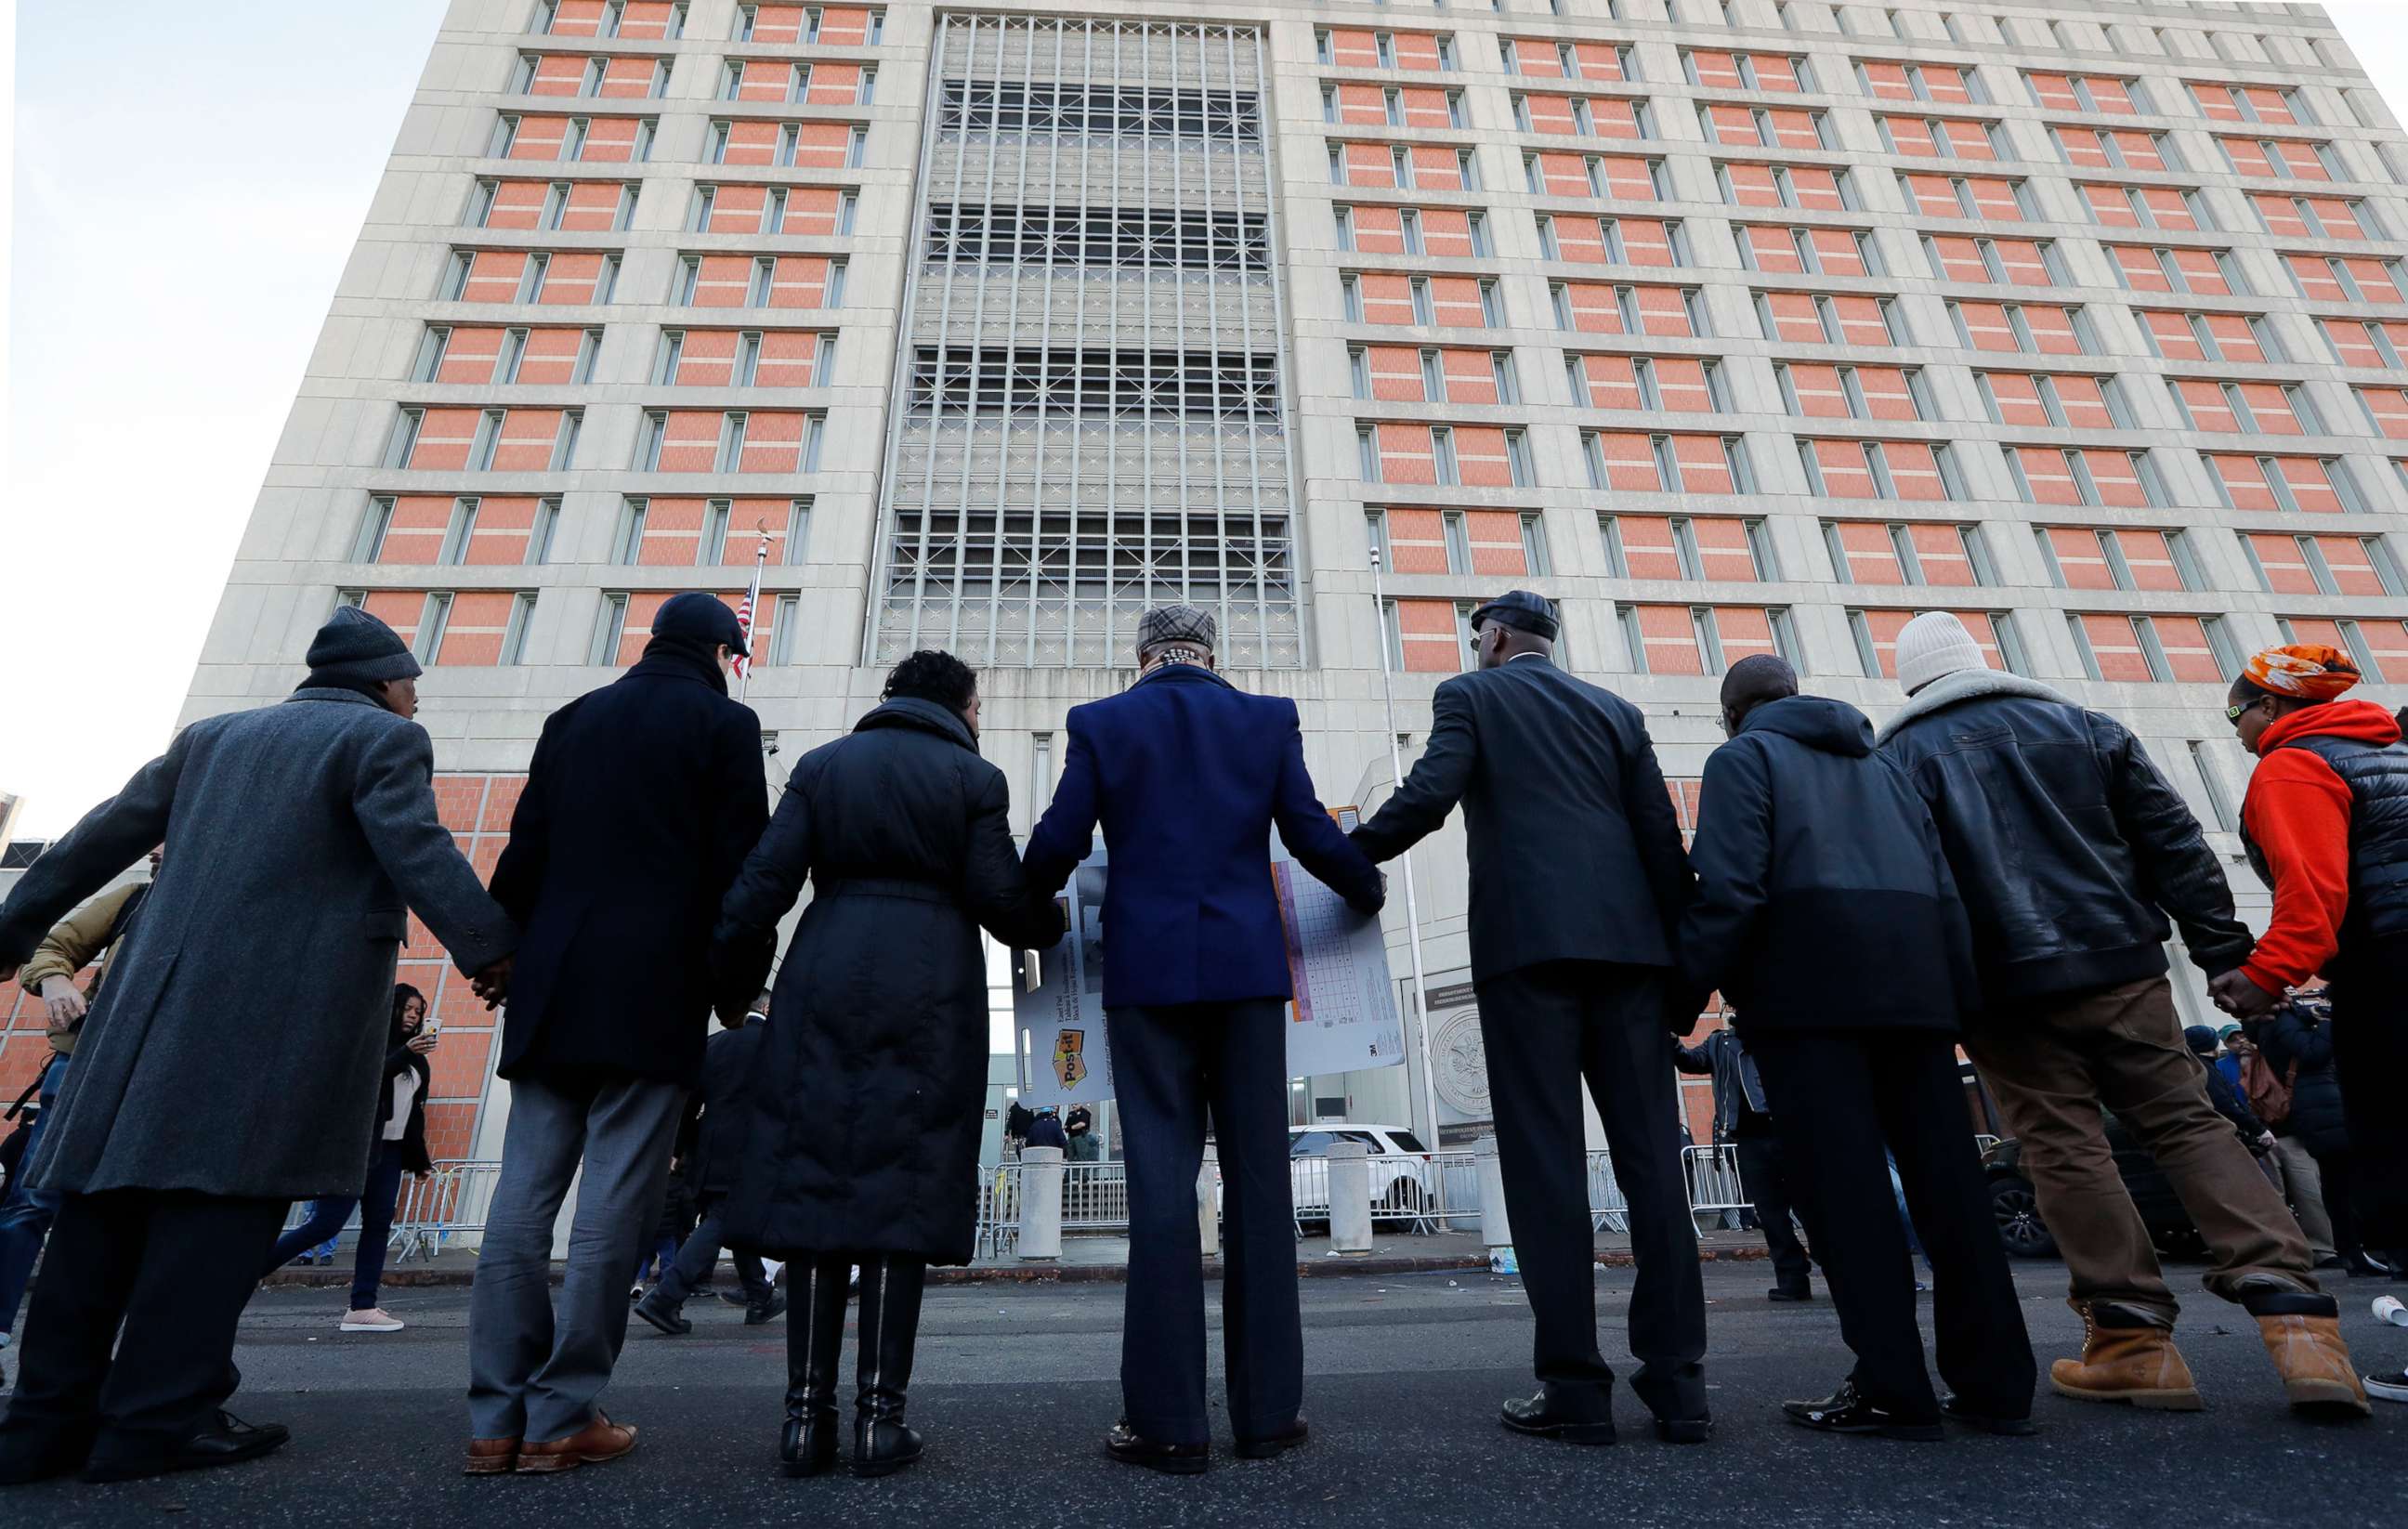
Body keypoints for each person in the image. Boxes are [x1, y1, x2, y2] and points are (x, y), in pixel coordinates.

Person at [0, 606, 515, 1485]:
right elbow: (417, 848)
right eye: (413, 685)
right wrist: (494, 952)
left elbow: (101, 834)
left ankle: (41, 1426)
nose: (417, 700)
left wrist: (12, 927)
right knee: (219, 1212)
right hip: (274, 1015)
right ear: (384, 682)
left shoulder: (212, 737)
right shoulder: (380, 741)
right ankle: (153, 1423)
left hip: (147, 1015)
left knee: (101, 1210)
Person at [1877, 614, 2362, 1419]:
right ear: (1980, 664)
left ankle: (2136, 1348)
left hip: (2001, 992)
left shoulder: (1895, 760)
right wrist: (2224, 956)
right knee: (2187, 1122)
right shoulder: (2084, 728)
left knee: (2062, 1145)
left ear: (1911, 683)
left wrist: (1933, 993)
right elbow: (2175, 847)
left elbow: (1908, 892)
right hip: (2121, 965)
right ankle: (2303, 1331)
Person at [1024, 606, 1383, 1472]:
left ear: (1143, 656)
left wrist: (1020, 919)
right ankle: (1269, 1417)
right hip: (1249, 979)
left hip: (1146, 981)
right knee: (1261, 1190)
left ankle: (1168, 1423)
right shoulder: (1265, 719)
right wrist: (1364, 888)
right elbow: (1309, 833)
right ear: (1213, 653)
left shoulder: (1103, 723)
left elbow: (1058, 844)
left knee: (1159, 1189)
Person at [1349, 590, 1708, 1447]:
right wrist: (1682, 984)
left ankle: (1576, 1392)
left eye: (1478, 636)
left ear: (1497, 637)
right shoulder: (1616, 711)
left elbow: (1429, 797)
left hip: (1528, 955)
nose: (1476, 647)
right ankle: (1681, 1389)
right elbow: (1663, 842)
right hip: (1632, 963)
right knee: (1656, 1172)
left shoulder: (1470, 696)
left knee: (1546, 1168)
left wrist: (1340, 852)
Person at [712, 649, 1064, 1478]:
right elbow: (1003, 903)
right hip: (931, 981)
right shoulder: (973, 779)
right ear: (963, 706)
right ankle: (881, 1420)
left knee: (813, 1179)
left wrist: (733, 989)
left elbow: (761, 886)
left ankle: (804, 1422)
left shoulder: (823, 766)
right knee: (904, 1180)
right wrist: (1054, 921)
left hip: (823, 969)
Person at [1675, 656, 2035, 1440]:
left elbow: (1731, 888)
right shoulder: (1885, 768)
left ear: (1733, 713)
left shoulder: (1743, 759)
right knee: (1952, 1190)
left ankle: (1892, 1388)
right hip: (1916, 999)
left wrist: (1680, 996)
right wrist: (1961, 1004)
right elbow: (1946, 890)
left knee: (1847, 1201)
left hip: (1807, 1000)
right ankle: (1997, 1388)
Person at [467, 592, 770, 1476]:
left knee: (520, 1203)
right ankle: (563, 1413)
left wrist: (498, 956)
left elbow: (523, 855)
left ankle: (496, 1419)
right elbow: (739, 870)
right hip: (653, 985)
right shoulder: (723, 725)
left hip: (554, 984)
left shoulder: (573, 719)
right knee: (612, 1208)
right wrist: (734, 991)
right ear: (720, 650)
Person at [2216, 644, 2408, 1403]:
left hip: (2391, 967)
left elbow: (2313, 891)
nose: (2233, 727)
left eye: (2237, 710)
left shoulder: (2294, 763)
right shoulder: (2388, 755)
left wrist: (2265, 978)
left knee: (2398, 1150)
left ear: (2271, 707)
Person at [0, 847, 160, 1386]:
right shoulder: (134, 898)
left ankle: (107, 1364)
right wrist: (55, 981)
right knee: (33, 1200)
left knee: (127, 1213)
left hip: (162, 1081)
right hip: (84, 1064)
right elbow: (51, 947)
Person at [257, 985, 438, 1331]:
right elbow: (365, 1080)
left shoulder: (419, 1062)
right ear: (393, 1008)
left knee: (378, 1226)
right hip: (355, 1149)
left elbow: (413, 1114)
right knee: (326, 1224)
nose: (414, 1015)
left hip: (391, 1153)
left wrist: (420, 1161)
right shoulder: (372, 1044)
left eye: (419, 1010)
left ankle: (362, 1306)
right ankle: (248, 1272)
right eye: (408, 1008)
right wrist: (404, 1053)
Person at [635, 998, 784, 1334]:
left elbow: (689, 1103)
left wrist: (679, 1149)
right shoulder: (776, 1046)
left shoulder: (714, 1044)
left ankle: (759, 1296)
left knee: (731, 1220)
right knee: (721, 1222)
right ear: (769, 1009)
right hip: (752, 1153)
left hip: (710, 1152)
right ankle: (665, 1297)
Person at [1673, 1025, 1814, 1300]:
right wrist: (1671, 1039)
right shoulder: (1720, 1042)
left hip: (1789, 1132)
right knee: (1771, 1215)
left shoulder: (1780, 1033)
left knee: (1812, 1206)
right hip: (1749, 1139)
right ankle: (1792, 1278)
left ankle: (1837, 1268)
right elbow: (1690, 1061)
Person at [2250, 1000, 2383, 1277]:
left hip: (2317, 1108)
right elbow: (2313, 1053)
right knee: (2350, 1181)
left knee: (2338, 1182)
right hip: (2322, 1108)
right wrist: (2325, 1021)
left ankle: (2354, 1252)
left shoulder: (2274, 1020)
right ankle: (2365, 1250)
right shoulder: (2280, 1019)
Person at [2180, 1026, 2279, 1159]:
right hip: (2241, 1131)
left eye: (2243, 1036)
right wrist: (2257, 1129)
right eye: (2233, 1040)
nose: (2241, 1042)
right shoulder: (2210, 1069)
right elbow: (2225, 1104)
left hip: (2266, 1124)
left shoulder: (2197, 1068)